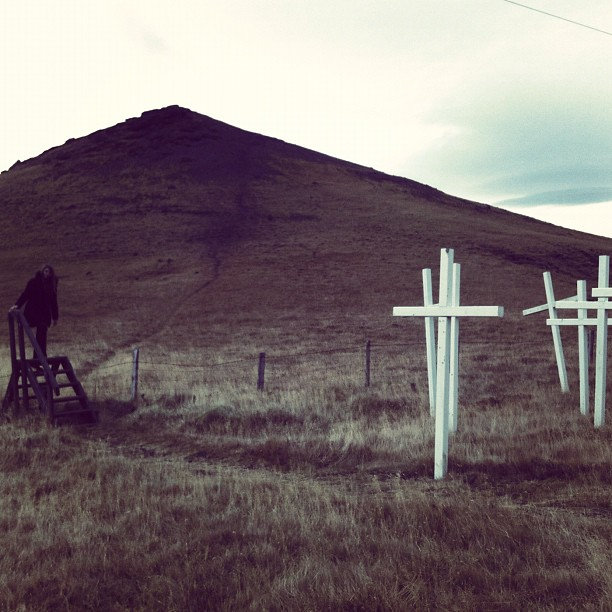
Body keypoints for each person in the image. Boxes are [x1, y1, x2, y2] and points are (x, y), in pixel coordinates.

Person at [10, 264, 59, 359]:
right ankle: (40, 356)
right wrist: (17, 305)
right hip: (33, 311)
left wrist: (55, 317)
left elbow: (54, 302)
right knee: (41, 329)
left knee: (42, 331)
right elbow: (25, 294)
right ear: (42, 271)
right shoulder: (34, 282)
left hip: (44, 314)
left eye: (49, 272)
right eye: (46, 271)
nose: (47, 274)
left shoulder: (51, 286)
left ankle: (40, 356)